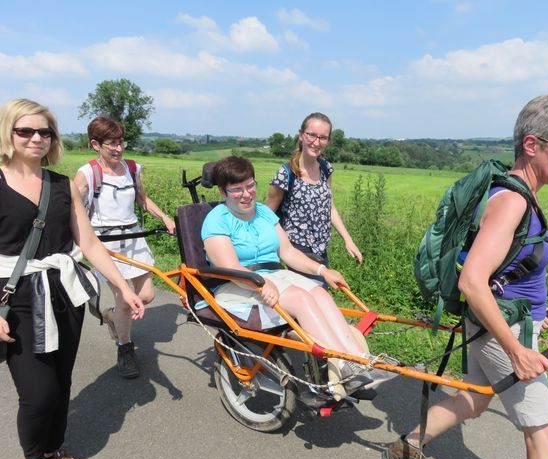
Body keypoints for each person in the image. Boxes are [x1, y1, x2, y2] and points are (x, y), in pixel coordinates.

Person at [382, 94, 548, 459]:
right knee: (546, 434)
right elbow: (472, 281)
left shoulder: (517, 194)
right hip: (502, 333)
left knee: (474, 398)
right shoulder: (512, 201)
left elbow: (509, 268)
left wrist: (539, 314)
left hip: (503, 322)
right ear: (531, 145)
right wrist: (516, 351)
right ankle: (404, 450)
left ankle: (403, 449)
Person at [0, 99, 145, 459]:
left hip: (64, 292)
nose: (36, 138)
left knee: (62, 380)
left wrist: (121, 287)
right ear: (9, 133)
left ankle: (55, 448)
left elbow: (91, 244)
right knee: (37, 391)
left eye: (44, 132)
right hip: (15, 296)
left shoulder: (61, 185)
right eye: (25, 131)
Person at [202, 155, 377, 393]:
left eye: (250, 185)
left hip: (272, 277)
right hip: (236, 284)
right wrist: (261, 284)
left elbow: (288, 252)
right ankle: (340, 365)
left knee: (320, 293)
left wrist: (322, 270)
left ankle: (358, 361)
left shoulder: (263, 212)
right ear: (223, 192)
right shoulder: (216, 221)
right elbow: (231, 269)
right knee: (300, 298)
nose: (246, 194)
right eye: (237, 189)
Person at [73, 117, 175, 379]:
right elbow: (71, 206)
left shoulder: (132, 168)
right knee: (124, 299)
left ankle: (112, 317)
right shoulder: (87, 173)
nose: (118, 149)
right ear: (95, 144)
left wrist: (163, 217)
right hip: (105, 244)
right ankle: (125, 347)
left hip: (134, 237)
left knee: (148, 295)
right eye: (112, 144)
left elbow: (142, 199)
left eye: (121, 142)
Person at [266, 112, 362, 285]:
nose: (316, 142)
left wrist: (348, 240)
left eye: (323, 137)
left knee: (317, 296)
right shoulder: (286, 174)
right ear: (302, 135)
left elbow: (330, 208)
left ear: (328, 141)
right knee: (314, 297)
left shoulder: (325, 168)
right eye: (311, 135)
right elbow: (267, 215)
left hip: (320, 248)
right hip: (296, 250)